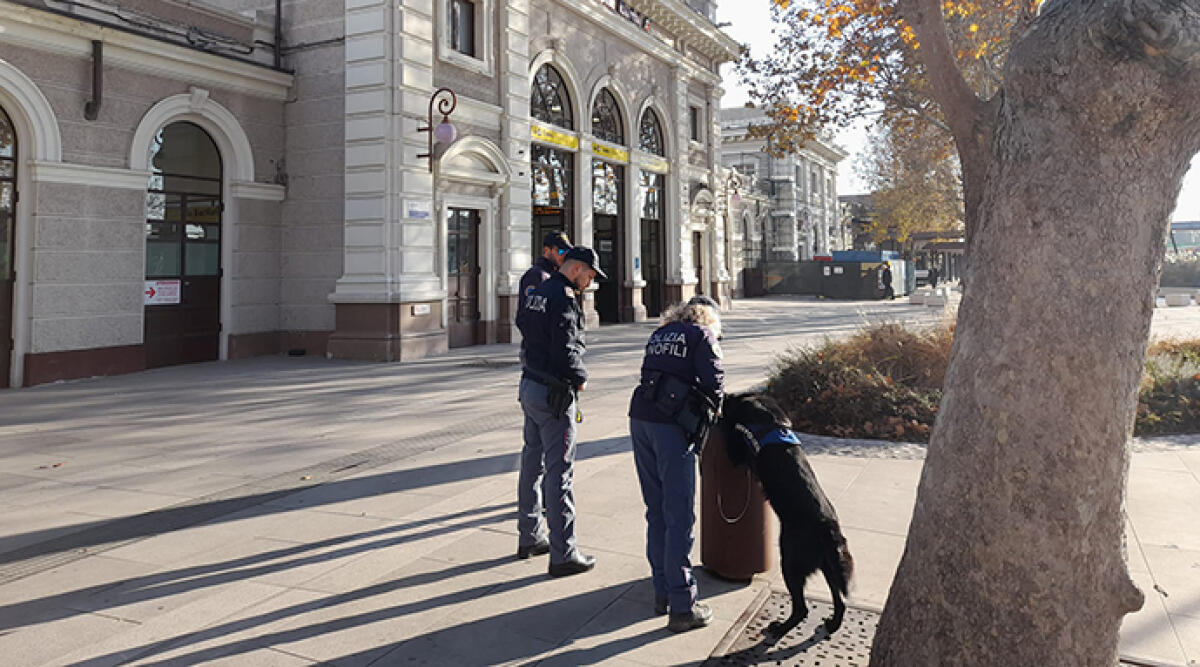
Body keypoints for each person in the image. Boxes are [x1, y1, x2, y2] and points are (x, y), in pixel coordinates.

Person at [628, 295, 725, 632]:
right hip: (671, 428)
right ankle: (683, 605)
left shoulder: (660, 334)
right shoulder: (703, 336)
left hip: (640, 419)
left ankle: (662, 592)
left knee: (656, 509)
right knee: (679, 512)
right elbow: (715, 384)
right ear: (708, 317)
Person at [514, 246, 605, 577]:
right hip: (554, 394)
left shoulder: (539, 289)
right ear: (577, 268)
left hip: (530, 386)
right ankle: (563, 553)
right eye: (590, 276)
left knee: (531, 464)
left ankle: (529, 536)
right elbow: (567, 349)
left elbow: (522, 323)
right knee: (559, 472)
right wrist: (580, 378)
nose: (590, 283)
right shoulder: (564, 297)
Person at [519, 232, 573, 310]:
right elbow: (532, 313)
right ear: (547, 250)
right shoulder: (536, 275)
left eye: (566, 252)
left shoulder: (557, 275)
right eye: (560, 251)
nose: (564, 255)